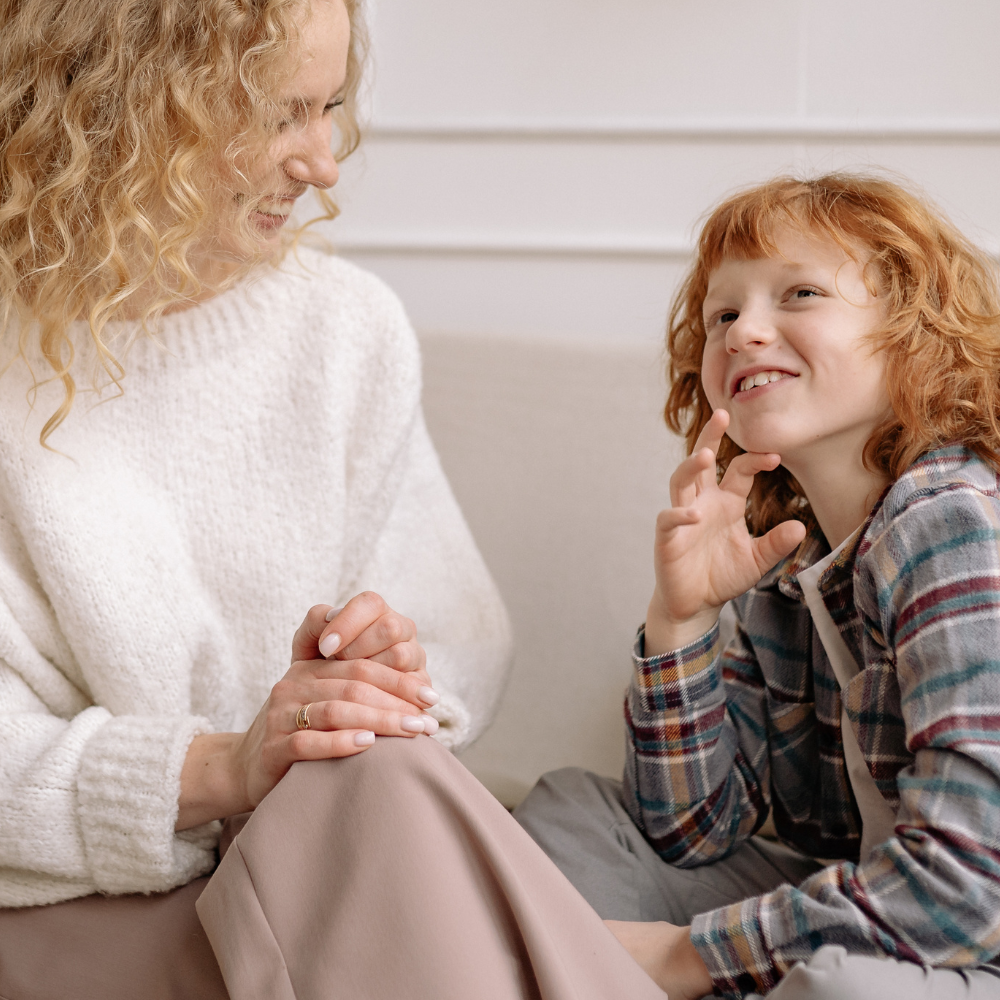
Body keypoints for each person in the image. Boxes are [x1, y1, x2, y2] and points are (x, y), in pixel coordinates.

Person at [0, 0, 511, 993]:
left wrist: (383, 674)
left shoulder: (345, 329)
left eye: (331, 108)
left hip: (329, 862)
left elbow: (455, 642)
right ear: (129, 110)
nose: (323, 162)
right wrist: (222, 769)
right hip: (70, 909)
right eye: (282, 115)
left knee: (388, 774)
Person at [515, 173, 1000, 999]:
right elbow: (691, 835)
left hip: (972, 942)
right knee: (575, 807)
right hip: (870, 913)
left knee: (844, 990)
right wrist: (684, 619)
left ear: (918, 332)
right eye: (722, 315)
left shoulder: (954, 522)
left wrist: (684, 956)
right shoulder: (789, 562)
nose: (745, 333)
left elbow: (971, 886)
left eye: (800, 293)